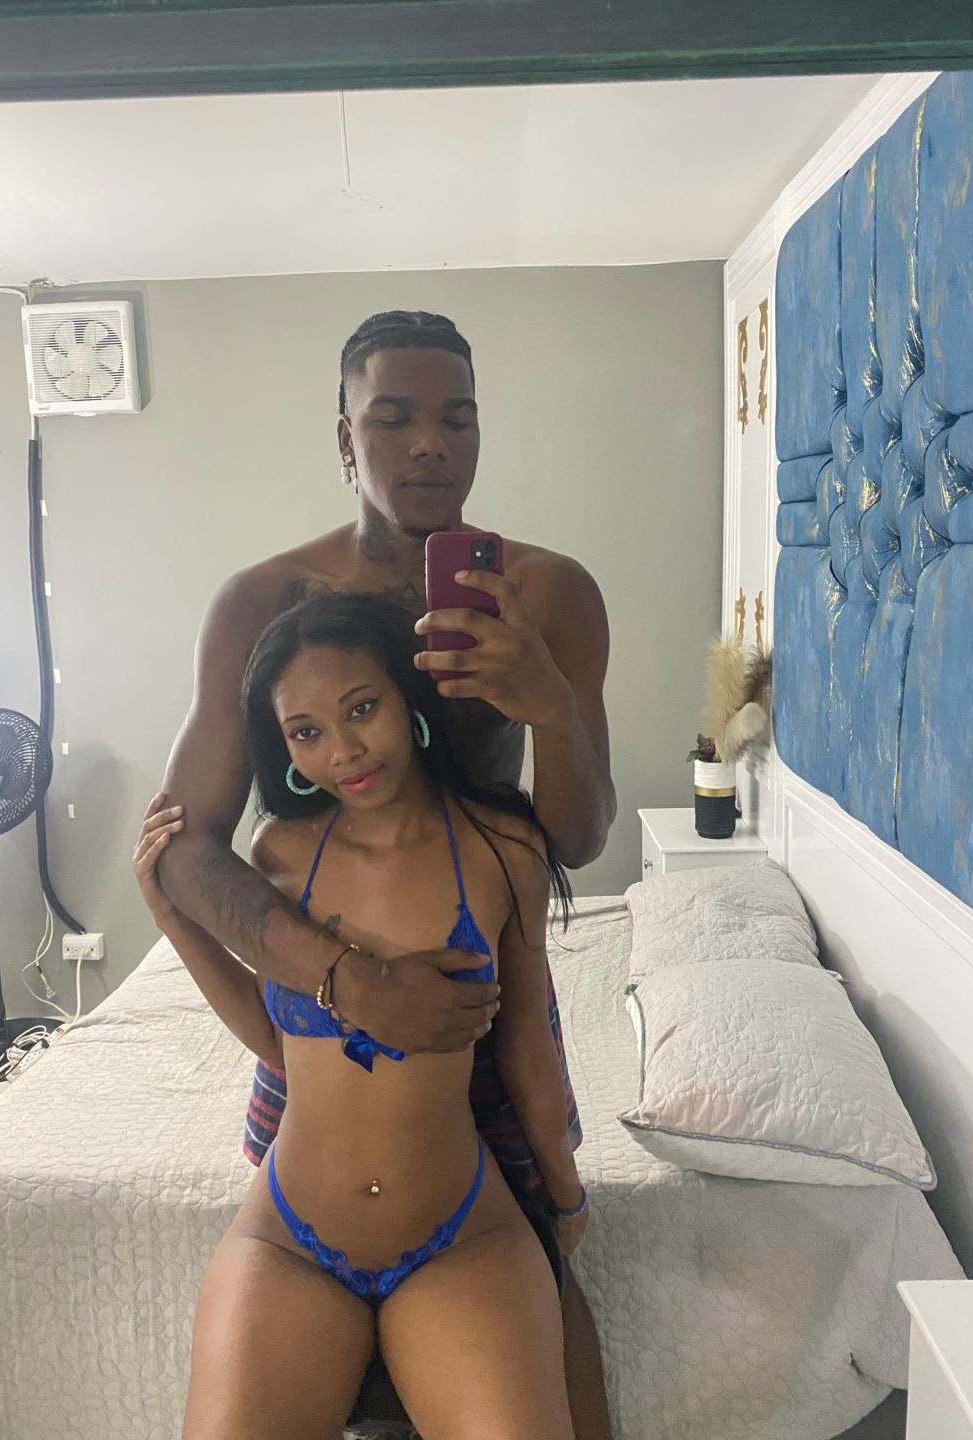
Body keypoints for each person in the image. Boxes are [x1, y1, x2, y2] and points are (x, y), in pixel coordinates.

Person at [155, 310, 616, 1437]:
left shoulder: (547, 593)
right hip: (317, 992)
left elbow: (575, 839)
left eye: (458, 419)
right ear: (345, 437)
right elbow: (182, 849)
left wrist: (549, 706)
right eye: (394, 418)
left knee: (558, 1304)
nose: (430, 445)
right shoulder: (266, 604)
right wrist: (346, 984)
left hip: (477, 979)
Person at [136, 591, 585, 1438]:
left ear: (406, 700)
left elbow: (527, 1042)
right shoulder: (280, 854)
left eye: (361, 709)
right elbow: (277, 1042)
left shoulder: (502, 848)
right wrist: (173, 919)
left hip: (460, 1235)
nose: (342, 751)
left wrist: (565, 1197)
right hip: (290, 1239)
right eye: (306, 731)